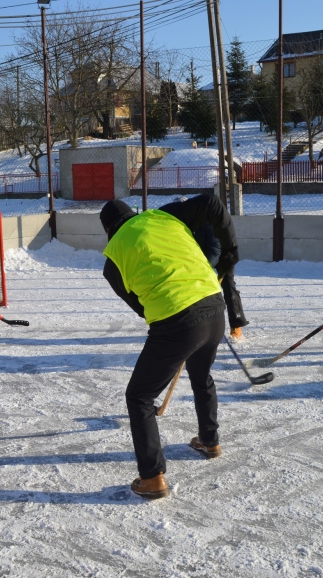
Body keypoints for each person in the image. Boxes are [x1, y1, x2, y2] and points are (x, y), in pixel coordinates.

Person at [99, 193, 238, 500]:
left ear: (108, 230)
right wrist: (231, 252)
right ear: (133, 213)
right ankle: (209, 440)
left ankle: (152, 478)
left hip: (177, 321)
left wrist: (174, 326)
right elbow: (213, 203)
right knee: (202, 376)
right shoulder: (162, 216)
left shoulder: (112, 261)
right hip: (214, 306)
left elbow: (141, 306)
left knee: (139, 397)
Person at [193, 220, 250, 340]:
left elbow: (215, 250)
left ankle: (236, 324)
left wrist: (207, 271)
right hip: (200, 263)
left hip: (223, 257)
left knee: (229, 288)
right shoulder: (180, 229)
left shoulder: (208, 225)